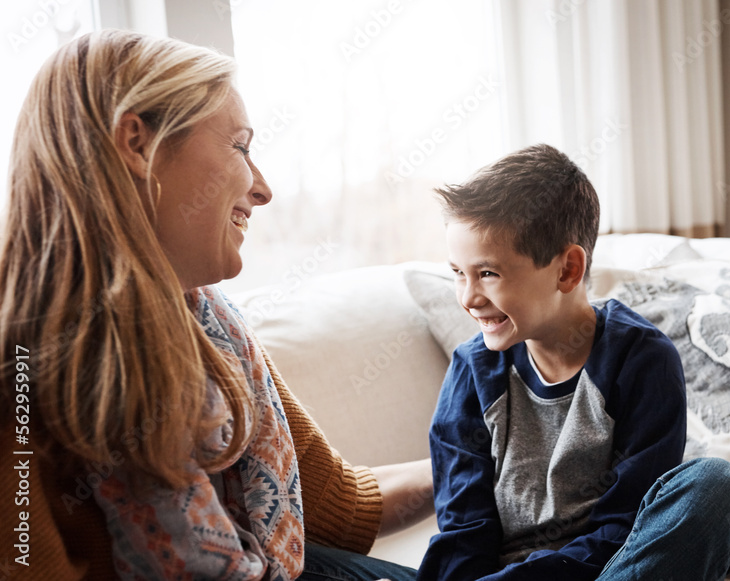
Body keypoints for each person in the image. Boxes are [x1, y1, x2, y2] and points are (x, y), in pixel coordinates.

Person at [0, 29, 431, 581]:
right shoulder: (18, 366)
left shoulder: (208, 323)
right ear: (137, 144)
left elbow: (334, 508)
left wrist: (490, 458)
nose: (263, 190)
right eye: (241, 146)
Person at [417, 144, 730, 580]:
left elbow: (622, 532)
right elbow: (464, 535)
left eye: (488, 273)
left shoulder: (640, 360)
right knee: (313, 563)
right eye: (457, 273)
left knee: (720, 489)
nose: (468, 297)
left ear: (567, 270)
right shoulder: (472, 371)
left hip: (604, 573)